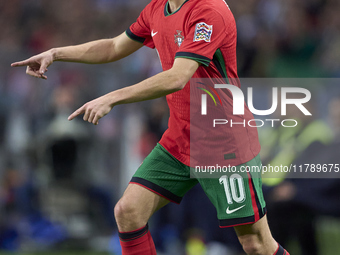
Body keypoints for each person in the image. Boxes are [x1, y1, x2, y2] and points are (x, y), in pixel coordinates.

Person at [11, 0, 290, 254]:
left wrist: (113, 97)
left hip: (224, 143)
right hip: (180, 139)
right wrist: (55, 53)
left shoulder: (209, 12)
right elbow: (113, 47)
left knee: (256, 244)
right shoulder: (157, 9)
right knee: (128, 211)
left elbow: (178, 77)